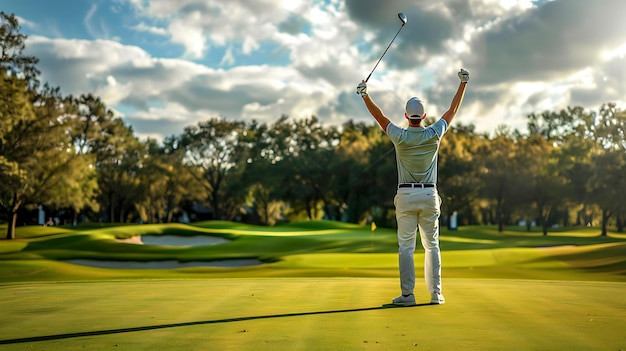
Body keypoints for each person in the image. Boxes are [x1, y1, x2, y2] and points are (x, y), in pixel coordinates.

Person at [356, 68, 469, 306]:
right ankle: (436, 293)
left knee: (406, 247)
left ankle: (408, 295)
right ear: (424, 115)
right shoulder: (434, 133)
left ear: (407, 116)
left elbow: (380, 117)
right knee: (432, 245)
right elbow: (452, 110)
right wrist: (463, 84)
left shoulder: (400, 136)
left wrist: (365, 95)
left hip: (406, 195)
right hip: (429, 195)